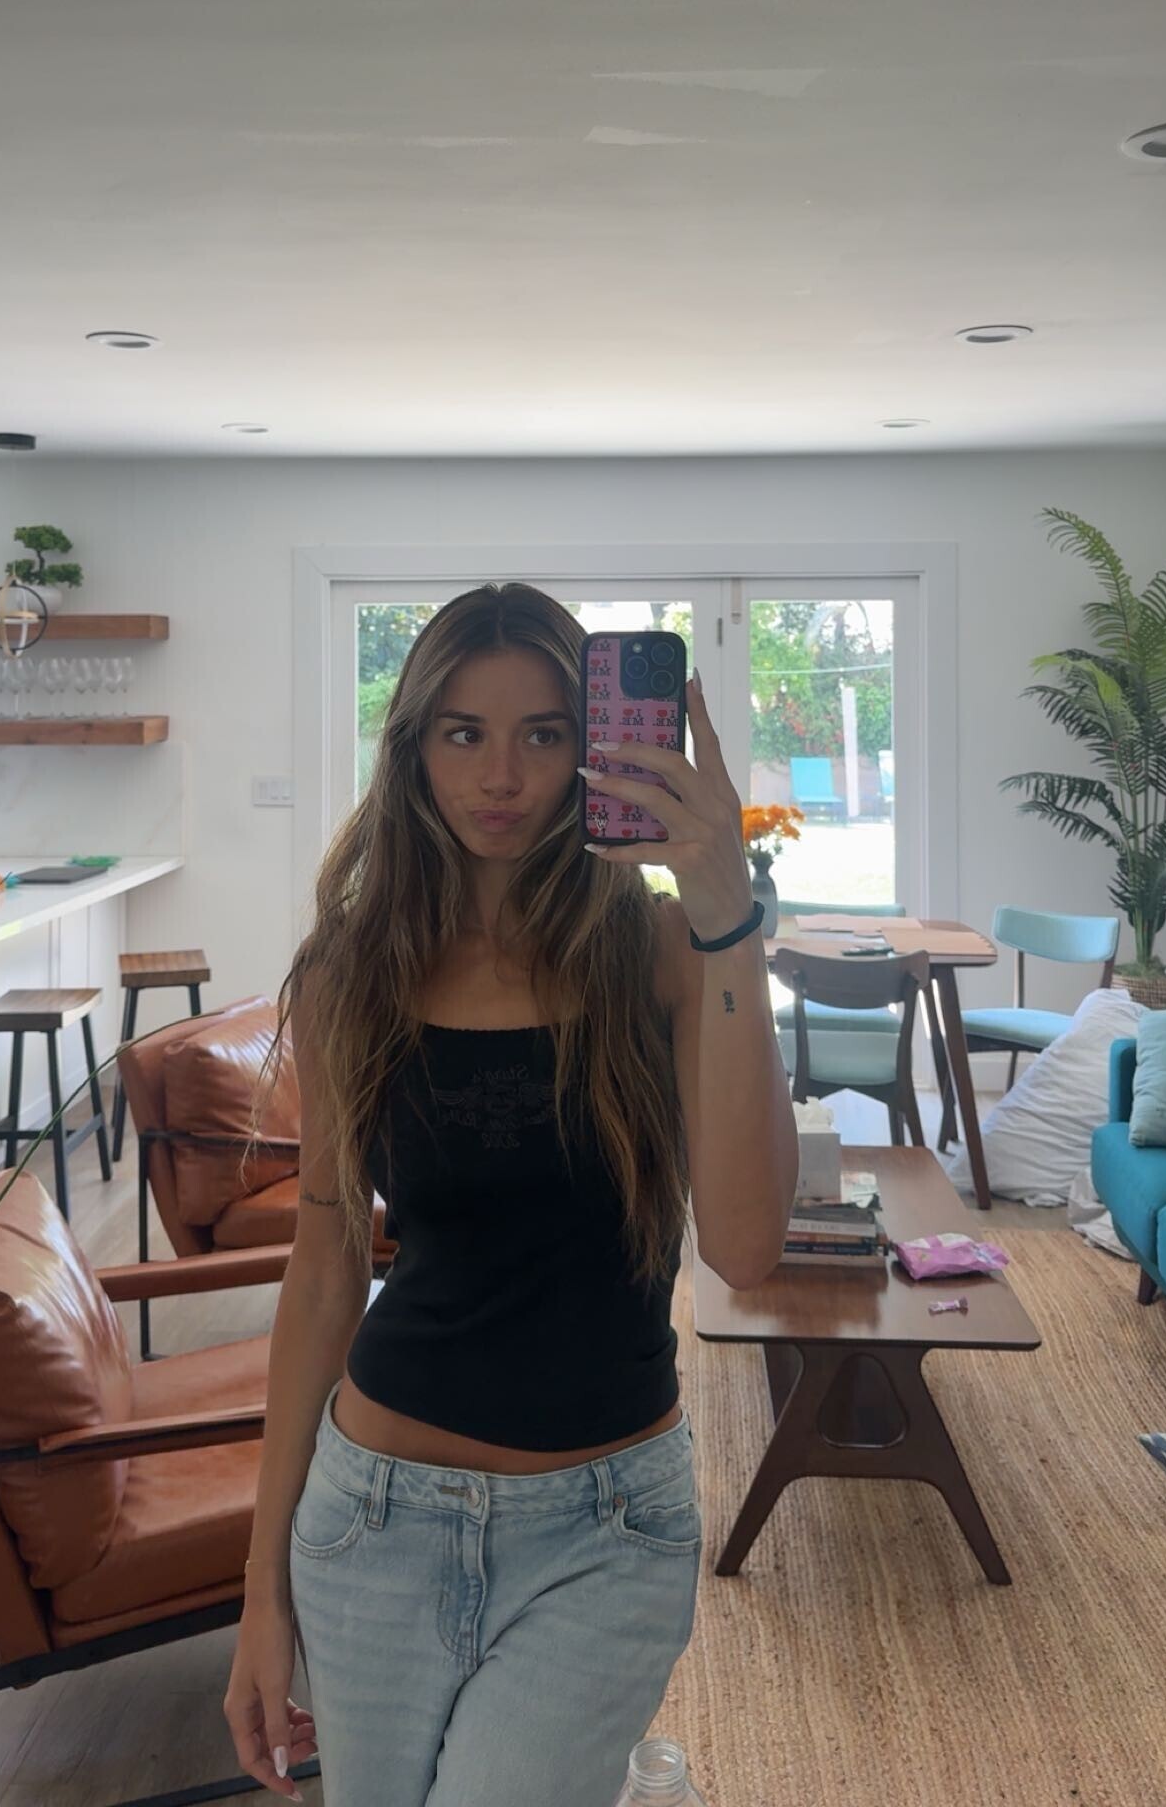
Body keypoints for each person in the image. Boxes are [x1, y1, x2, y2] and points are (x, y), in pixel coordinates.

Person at [223, 583, 797, 1806]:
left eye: (544, 733)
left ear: (594, 746)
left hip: (606, 1530)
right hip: (371, 1516)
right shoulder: (351, 972)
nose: (502, 776)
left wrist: (724, 913)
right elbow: (323, 1273)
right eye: (463, 733)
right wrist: (260, 1594)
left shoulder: (662, 952)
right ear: (414, 749)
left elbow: (747, 1248)